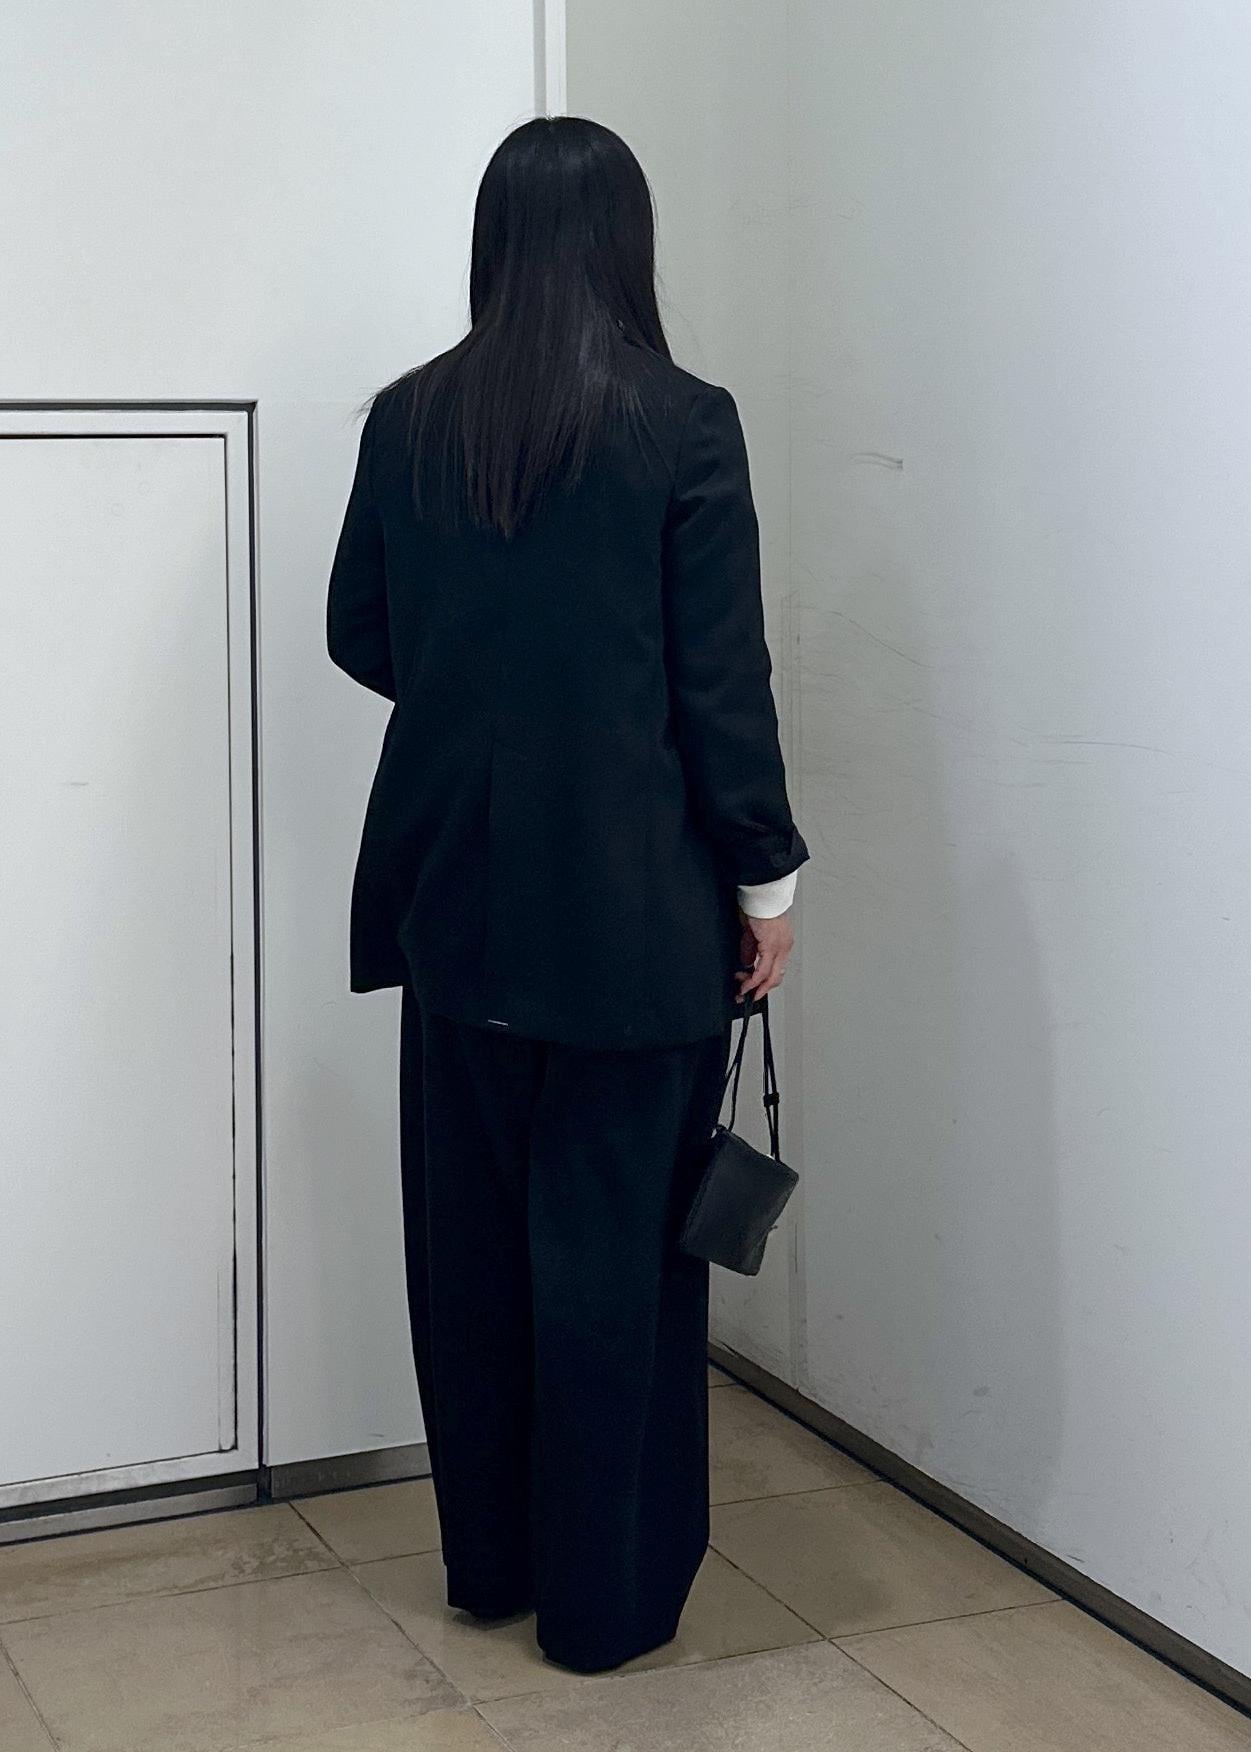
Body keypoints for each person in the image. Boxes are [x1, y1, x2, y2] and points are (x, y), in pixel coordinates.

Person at [326, 114, 807, 1674]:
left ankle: (493, 1568)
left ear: (493, 242)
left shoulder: (409, 420)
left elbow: (359, 631)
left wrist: (486, 699)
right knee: (615, 1272)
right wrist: (767, 882)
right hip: (632, 919)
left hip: (454, 904)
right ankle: (602, 1611)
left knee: (467, 1258)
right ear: (627, 242)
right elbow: (720, 685)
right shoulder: (685, 422)